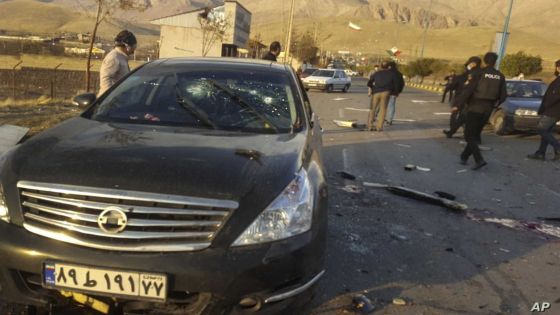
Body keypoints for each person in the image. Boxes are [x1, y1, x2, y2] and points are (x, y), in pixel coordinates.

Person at [454, 52, 506, 170]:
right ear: (496, 61)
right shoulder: (500, 76)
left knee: (468, 135)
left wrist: (458, 104)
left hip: (475, 107)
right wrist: (494, 105)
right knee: (475, 134)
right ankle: (464, 156)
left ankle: (479, 160)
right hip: (488, 109)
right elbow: (503, 96)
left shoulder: (479, 73)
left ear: (485, 61)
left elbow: (469, 90)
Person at [527, 59, 560, 161]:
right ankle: (541, 153)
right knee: (546, 131)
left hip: (552, 110)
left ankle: (558, 147)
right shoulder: (557, 79)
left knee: (541, 129)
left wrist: (546, 106)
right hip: (553, 110)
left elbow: (555, 96)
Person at [443, 57, 482, 138]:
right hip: (475, 100)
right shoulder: (480, 73)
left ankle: (456, 132)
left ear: (474, 63)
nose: (469, 65)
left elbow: (467, 90)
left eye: (470, 64)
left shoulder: (472, 74)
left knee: (459, 116)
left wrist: (458, 104)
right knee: (463, 117)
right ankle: (453, 132)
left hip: (464, 98)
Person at [99, 30, 137, 95]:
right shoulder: (113, 58)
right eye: (133, 47)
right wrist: (111, 97)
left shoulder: (121, 57)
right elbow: (105, 80)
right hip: (110, 102)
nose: (133, 50)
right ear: (127, 46)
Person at [366, 62, 396, 131]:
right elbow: (394, 84)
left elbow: (369, 83)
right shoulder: (391, 74)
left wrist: (373, 88)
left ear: (381, 67)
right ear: (388, 67)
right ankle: (379, 127)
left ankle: (370, 126)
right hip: (386, 93)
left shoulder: (376, 73)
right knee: (383, 110)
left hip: (376, 92)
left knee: (372, 109)